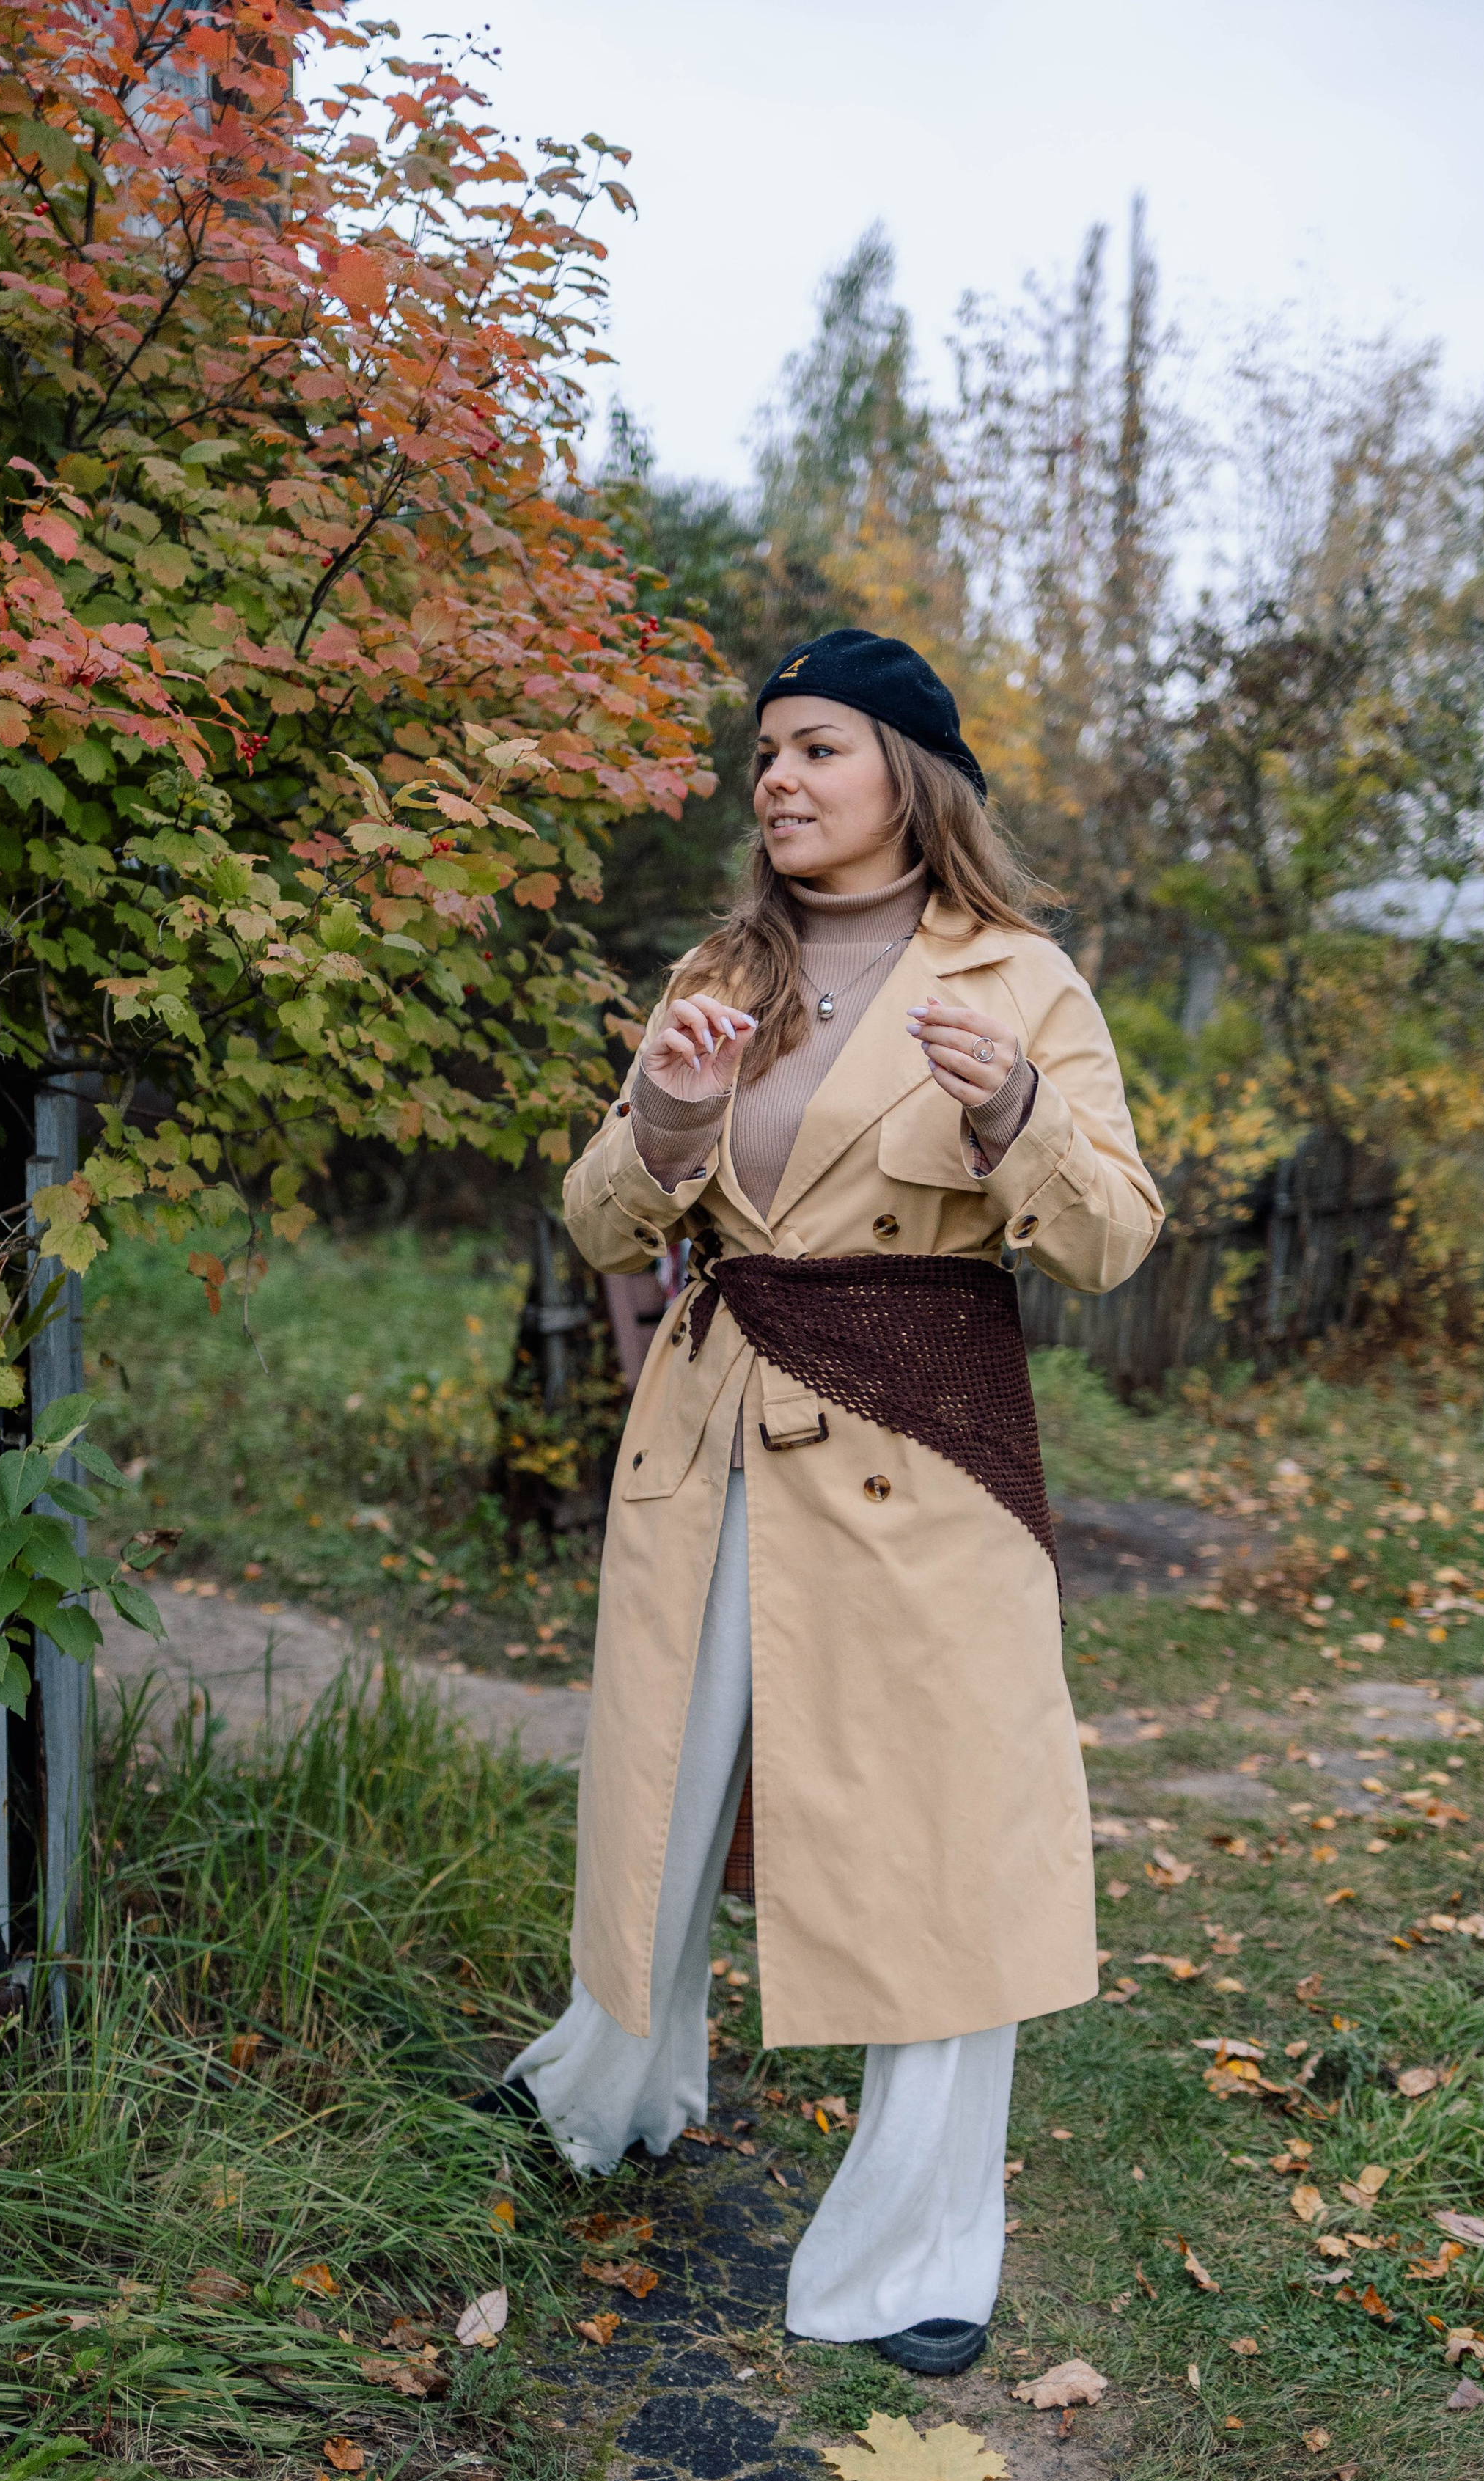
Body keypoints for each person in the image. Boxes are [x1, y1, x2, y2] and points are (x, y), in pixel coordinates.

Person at [503, 628, 1164, 2375]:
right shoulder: (720, 968)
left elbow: (1111, 1239)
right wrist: (659, 1115)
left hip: (920, 1444)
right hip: (710, 1424)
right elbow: (596, 1224)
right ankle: (607, 2085)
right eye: (765, 756)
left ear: (906, 775)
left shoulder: (1022, 977)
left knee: (937, 1845)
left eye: (816, 749)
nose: (777, 781)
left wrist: (1015, 1108)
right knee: (665, 1784)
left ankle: (914, 2258)